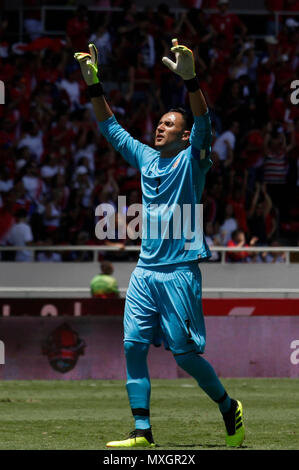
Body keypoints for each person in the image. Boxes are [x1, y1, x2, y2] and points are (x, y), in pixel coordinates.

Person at [75, 39, 245, 448]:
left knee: (185, 356)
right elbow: (111, 128)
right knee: (133, 347)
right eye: (160, 123)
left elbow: (204, 121)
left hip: (179, 274)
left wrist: (191, 79)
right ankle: (142, 432)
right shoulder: (146, 159)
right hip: (145, 272)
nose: (159, 127)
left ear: (184, 137)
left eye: (168, 124)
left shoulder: (193, 159)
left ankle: (227, 406)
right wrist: (94, 84)